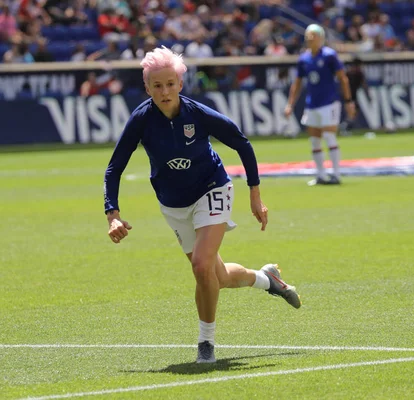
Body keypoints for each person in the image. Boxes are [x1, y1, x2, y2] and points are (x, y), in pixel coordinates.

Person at [104, 46, 301, 364]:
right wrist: (112, 214)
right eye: (157, 85)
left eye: (170, 84)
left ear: (180, 84)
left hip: (213, 188)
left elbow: (242, 143)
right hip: (173, 205)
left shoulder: (198, 114)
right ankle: (268, 280)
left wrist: (255, 194)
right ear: (147, 88)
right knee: (217, 277)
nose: (165, 91)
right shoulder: (141, 120)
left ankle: (205, 344)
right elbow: (114, 167)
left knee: (200, 266)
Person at [284, 24, 356, 186]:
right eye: (307, 36)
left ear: (321, 38)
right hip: (312, 104)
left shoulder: (330, 56)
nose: (309, 39)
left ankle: (336, 174)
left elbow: (343, 79)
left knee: (330, 136)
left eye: (312, 35)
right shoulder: (304, 59)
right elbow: (297, 83)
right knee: (314, 141)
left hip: (329, 102)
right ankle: (321, 175)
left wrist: (348, 101)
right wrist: (290, 104)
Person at [340, 56, 368, 136]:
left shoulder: (349, 72)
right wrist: (368, 95)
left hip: (349, 96)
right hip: (349, 97)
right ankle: (344, 127)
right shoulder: (357, 73)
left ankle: (345, 127)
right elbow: (364, 85)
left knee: (352, 113)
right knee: (352, 113)